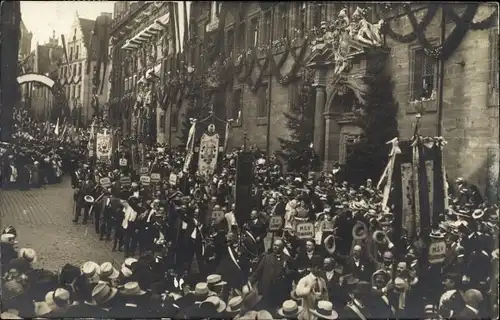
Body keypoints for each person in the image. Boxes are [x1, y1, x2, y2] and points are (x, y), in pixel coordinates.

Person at [249, 239, 292, 310]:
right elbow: (257, 272)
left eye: (277, 246)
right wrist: (250, 282)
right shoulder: (266, 258)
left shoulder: (287, 259)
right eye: (274, 245)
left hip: (281, 293)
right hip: (268, 291)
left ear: (282, 247)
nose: (275, 247)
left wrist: (287, 270)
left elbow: (292, 275)